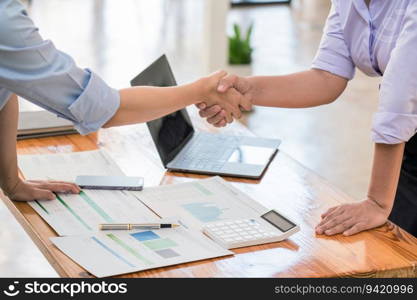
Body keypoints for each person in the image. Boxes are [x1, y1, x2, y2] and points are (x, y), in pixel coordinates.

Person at [198, 0, 417, 237]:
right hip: (409, 134)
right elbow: (326, 78)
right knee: (401, 241)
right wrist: (247, 90)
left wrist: (377, 202)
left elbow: (398, 99)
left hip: (405, 120)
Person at [0, 0, 251, 202]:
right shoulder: (6, 23)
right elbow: (105, 110)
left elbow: (7, 82)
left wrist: (11, 182)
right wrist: (200, 91)